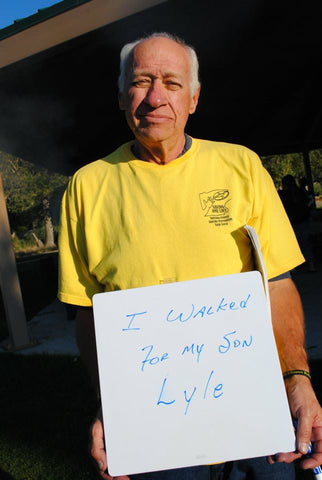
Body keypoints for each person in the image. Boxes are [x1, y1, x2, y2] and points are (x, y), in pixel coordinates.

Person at [58, 33, 322, 480]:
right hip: (154, 430)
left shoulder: (241, 167)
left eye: (172, 83)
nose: (155, 97)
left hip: (256, 414)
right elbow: (88, 312)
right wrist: (111, 403)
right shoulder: (87, 186)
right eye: (141, 82)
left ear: (194, 98)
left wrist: (297, 376)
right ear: (122, 97)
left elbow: (276, 284)